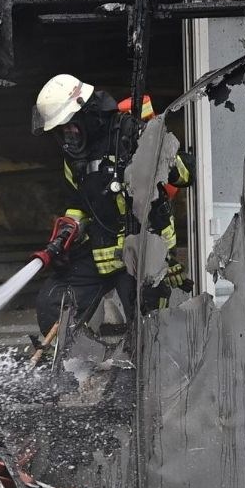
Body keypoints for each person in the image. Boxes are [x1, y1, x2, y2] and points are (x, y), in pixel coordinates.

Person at [30, 74, 194, 336]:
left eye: (69, 126)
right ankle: (66, 371)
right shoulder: (75, 157)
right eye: (61, 131)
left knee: (148, 329)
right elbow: (79, 201)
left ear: (85, 113)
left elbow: (186, 174)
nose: (67, 135)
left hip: (143, 252)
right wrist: (69, 227)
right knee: (53, 300)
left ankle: (148, 373)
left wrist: (156, 149)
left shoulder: (129, 132)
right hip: (102, 251)